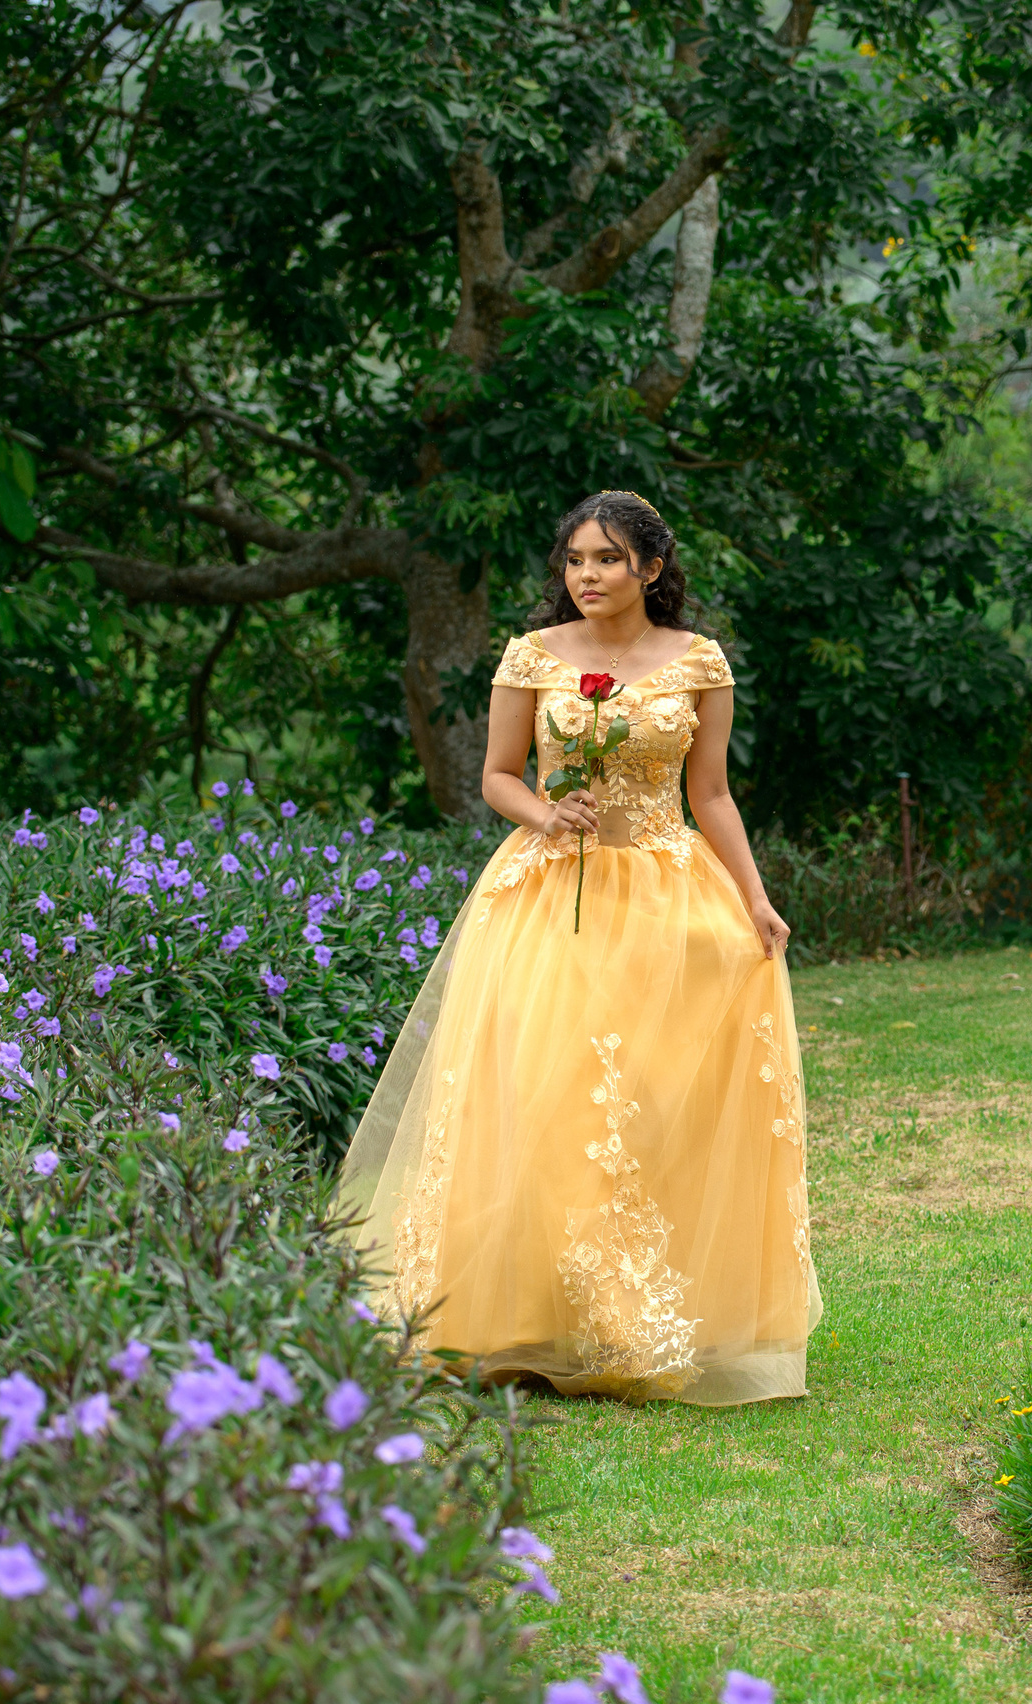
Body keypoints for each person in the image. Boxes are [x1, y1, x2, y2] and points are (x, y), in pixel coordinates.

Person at [340, 491, 820, 1405]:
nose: (586, 577)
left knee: (644, 1102)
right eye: (573, 561)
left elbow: (711, 795)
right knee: (548, 1097)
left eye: (606, 560)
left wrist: (756, 901)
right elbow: (495, 778)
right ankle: (515, 1321)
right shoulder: (532, 657)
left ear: (649, 568)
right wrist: (547, 813)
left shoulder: (698, 663)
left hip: (667, 894)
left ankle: (636, 1319)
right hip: (548, 893)